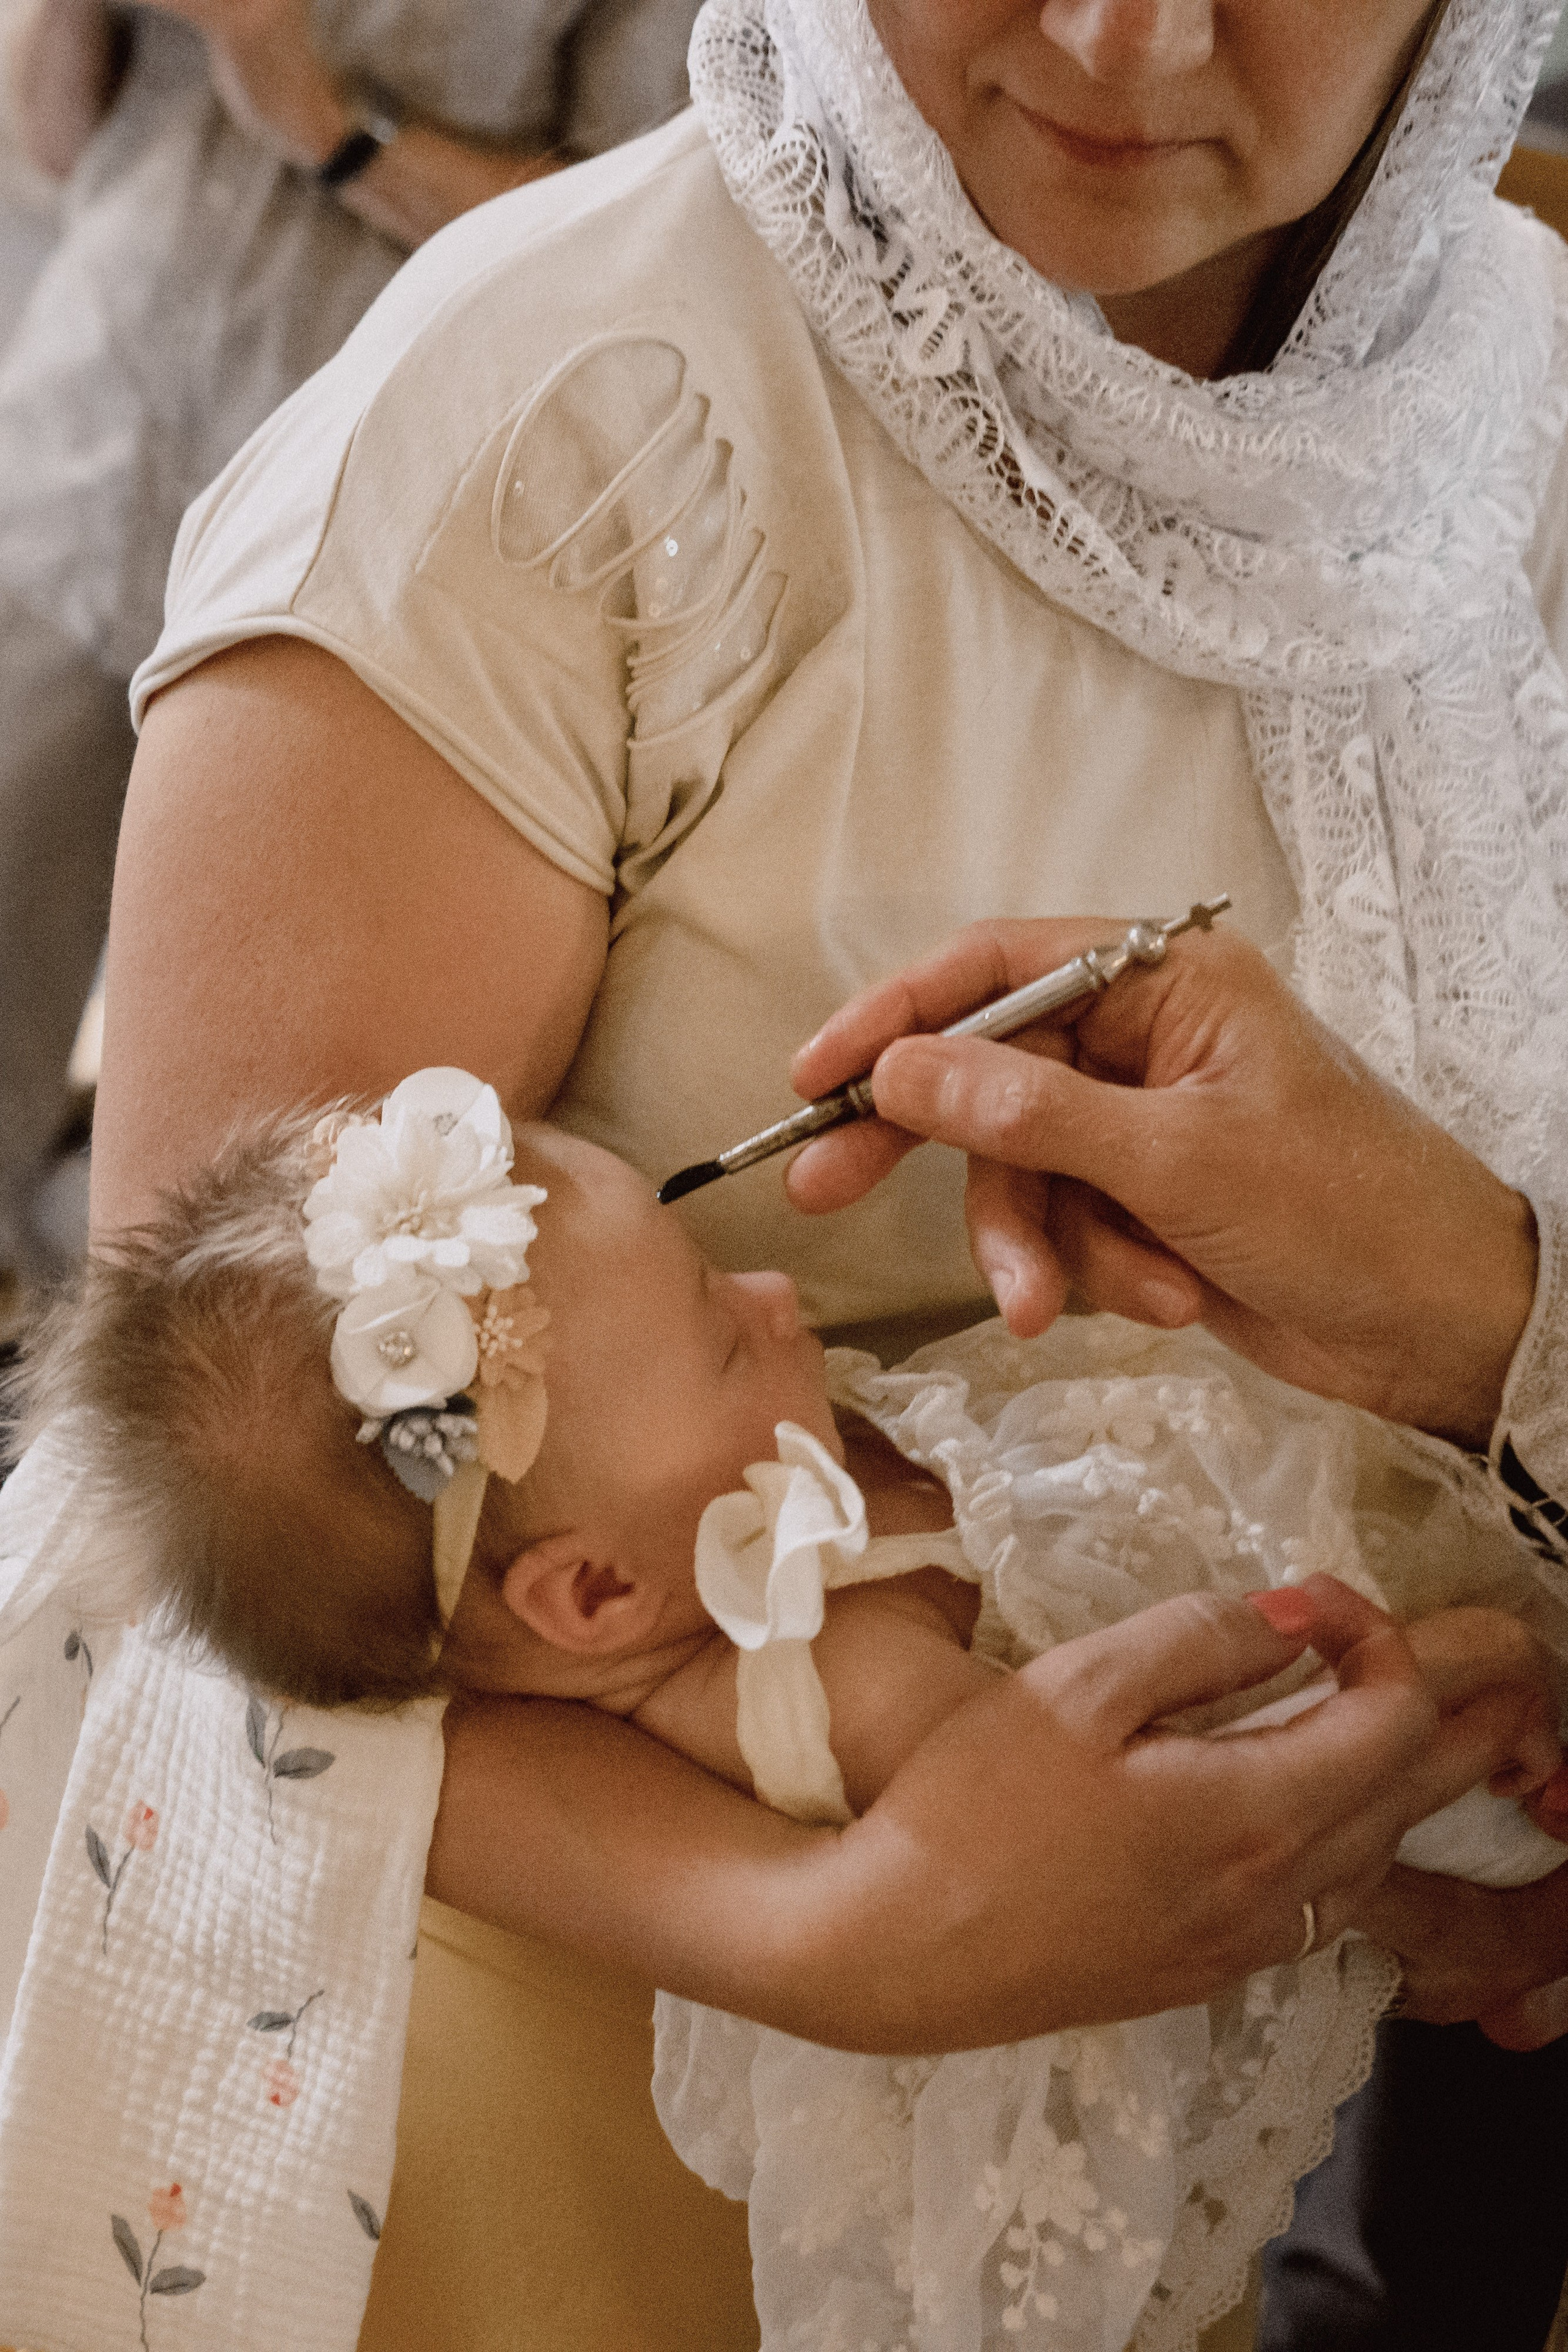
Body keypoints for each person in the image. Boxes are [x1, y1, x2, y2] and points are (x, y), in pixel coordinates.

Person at [5, 0, 1555, 2342]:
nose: (1121, 31)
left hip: (1179, 2160)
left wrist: (1487, 1313)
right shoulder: (557, 429)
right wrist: (832, 1931)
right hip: (552, 2140)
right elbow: (181, 1549)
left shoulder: (1527, 409)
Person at [28, 1063, 1568, 2350]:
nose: (774, 1294)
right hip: (1328, 1795)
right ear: (594, 1598)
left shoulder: (719, 1536)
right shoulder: (834, 1683)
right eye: (715, 1327)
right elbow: (1206, 1821)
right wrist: (1453, 1693)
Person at [0, 0, 701, 1288]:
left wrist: (316, 112)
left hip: (343, 580)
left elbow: (636, 239)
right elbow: (58, 148)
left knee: (228, 1203)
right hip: (73, 480)